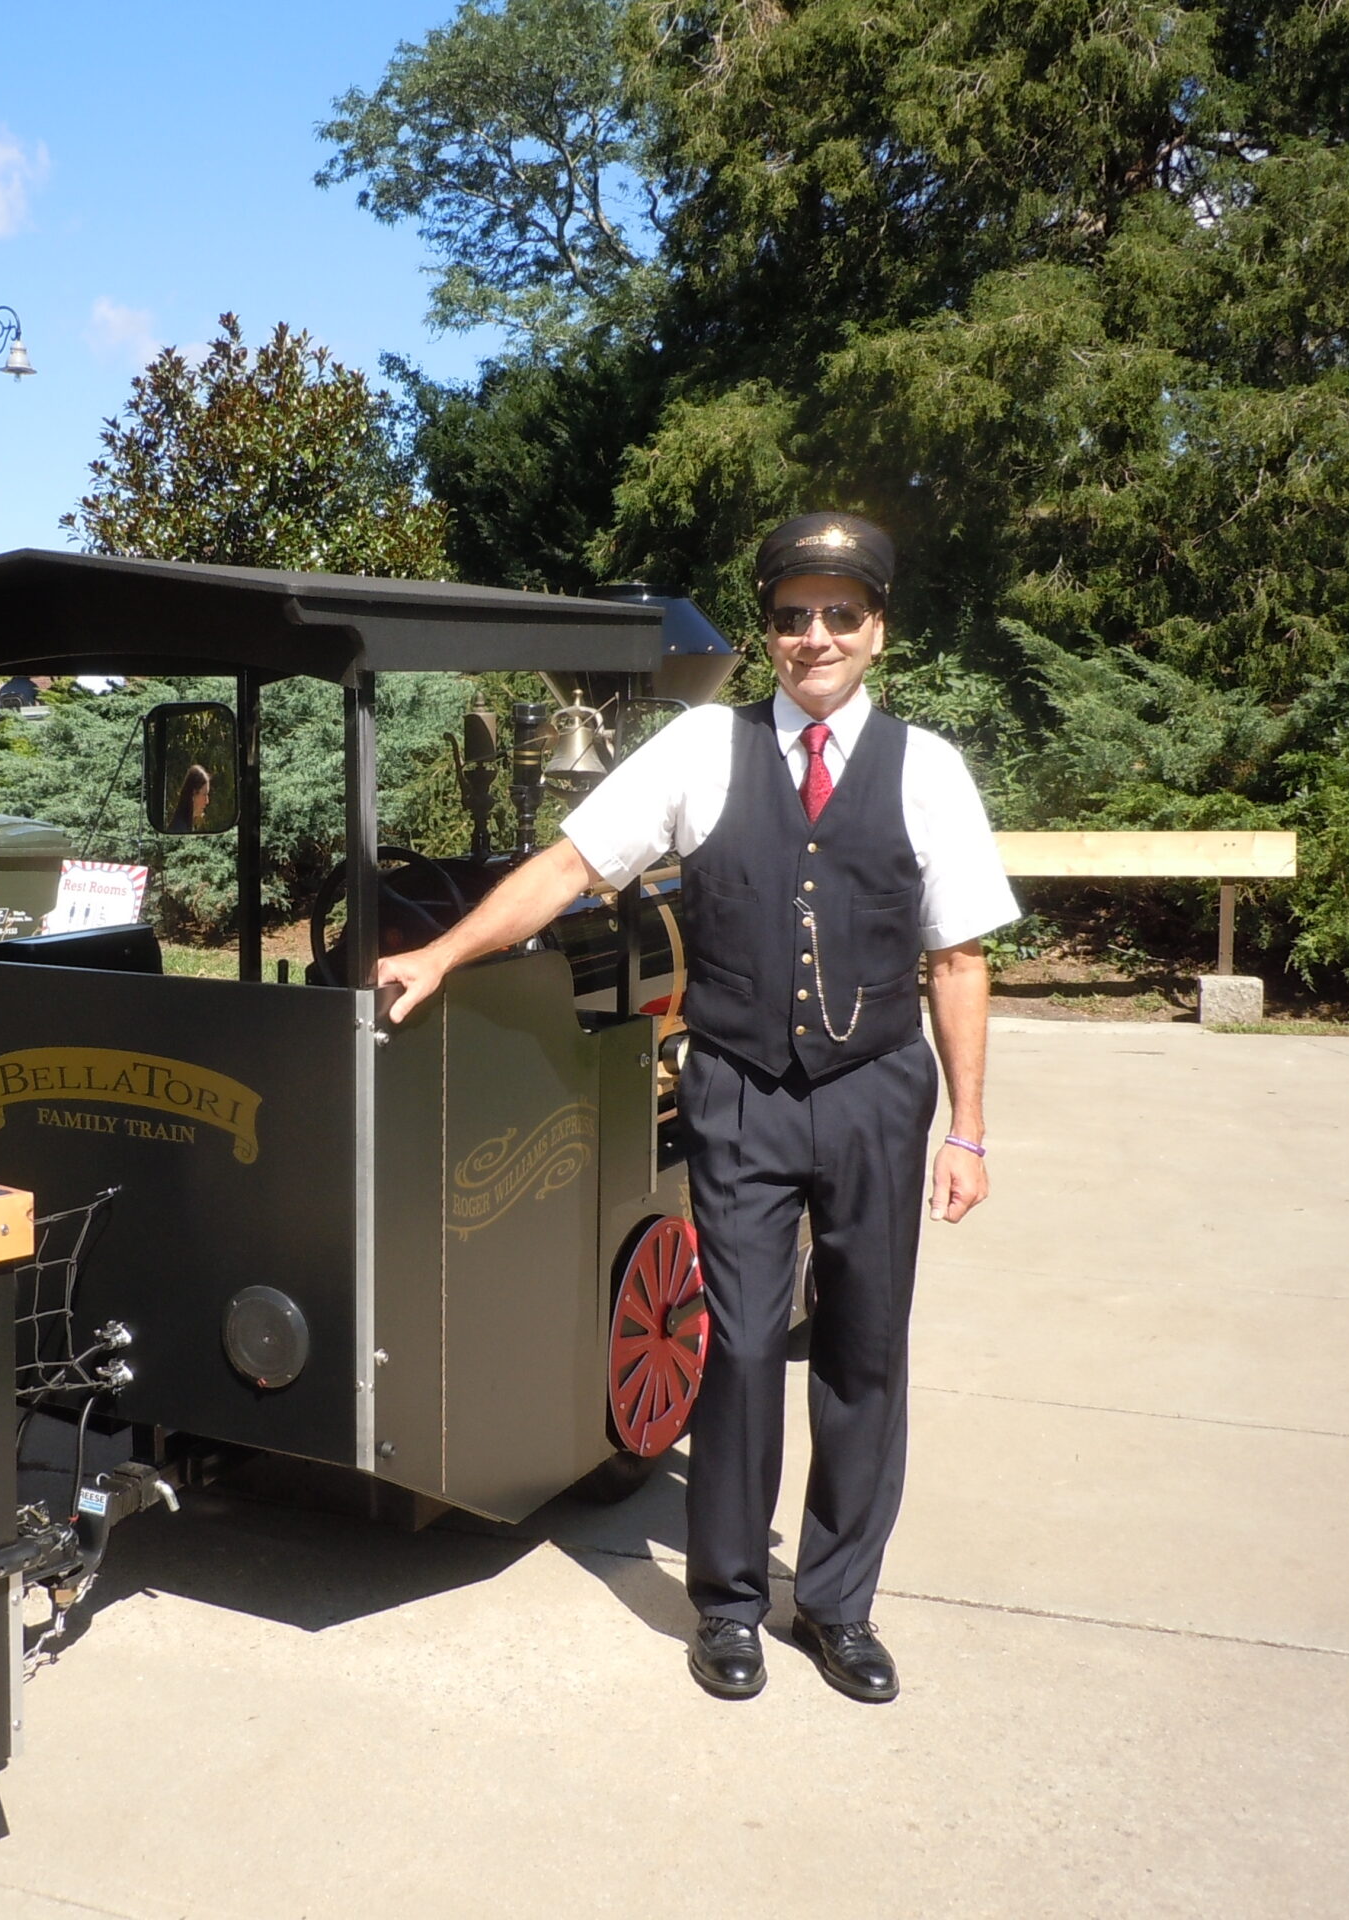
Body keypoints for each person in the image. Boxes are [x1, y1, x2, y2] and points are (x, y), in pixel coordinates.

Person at [377, 511, 1017, 1706]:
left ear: (877, 628)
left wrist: (967, 1132)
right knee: (736, 1350)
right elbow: (571, 865)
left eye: (838, 613)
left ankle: (835, 1605)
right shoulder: (696, 751)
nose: (812, 636)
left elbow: (958, 963)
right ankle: (725, 1602)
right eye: (790, 614)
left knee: (867, 1354)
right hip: (738, 1089)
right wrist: (444, 954)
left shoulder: (928, 768)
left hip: (879, 1092)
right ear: (767, 629)